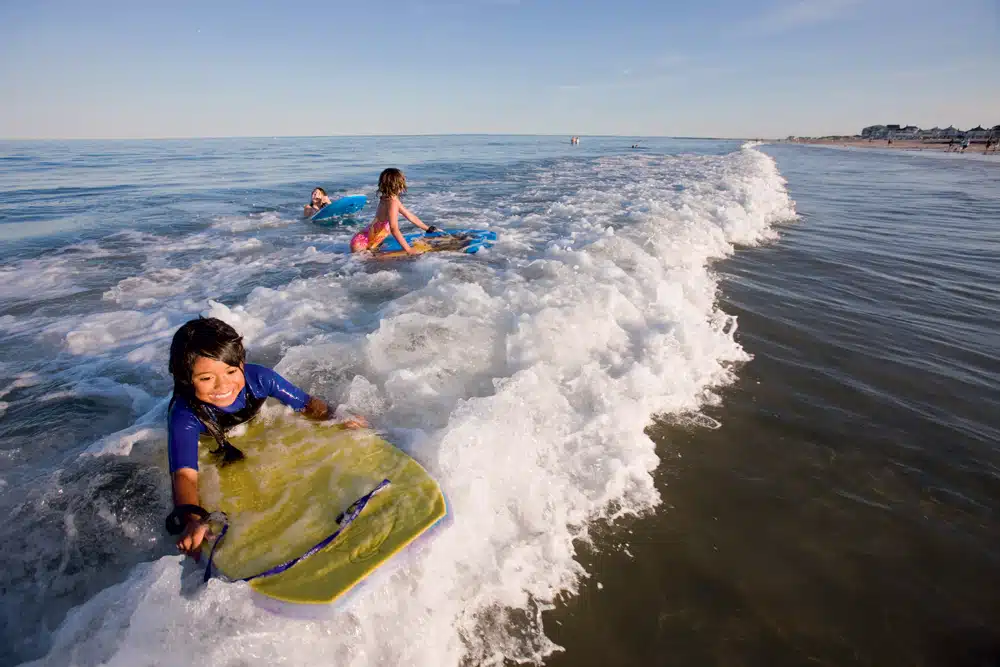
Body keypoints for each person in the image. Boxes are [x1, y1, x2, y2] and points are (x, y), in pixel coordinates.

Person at [166, 317, 366, 558]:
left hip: (250, 428)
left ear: (242, 363)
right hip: (210, 440)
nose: (223, 385)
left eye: (231, 371)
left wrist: (337, 417)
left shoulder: (261, 379)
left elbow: (306, 404)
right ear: (185, 379)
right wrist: (193, 519)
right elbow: (184, 474)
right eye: (206, 378)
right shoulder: (184, 414)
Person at [350, 168, 438, 255]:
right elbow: (394, 229)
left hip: (364, 240)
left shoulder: (387, 199)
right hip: (362, 244)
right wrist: (409, 250)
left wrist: (428, 229)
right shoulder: (393, 202)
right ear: (397, 185)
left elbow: (410, 216)